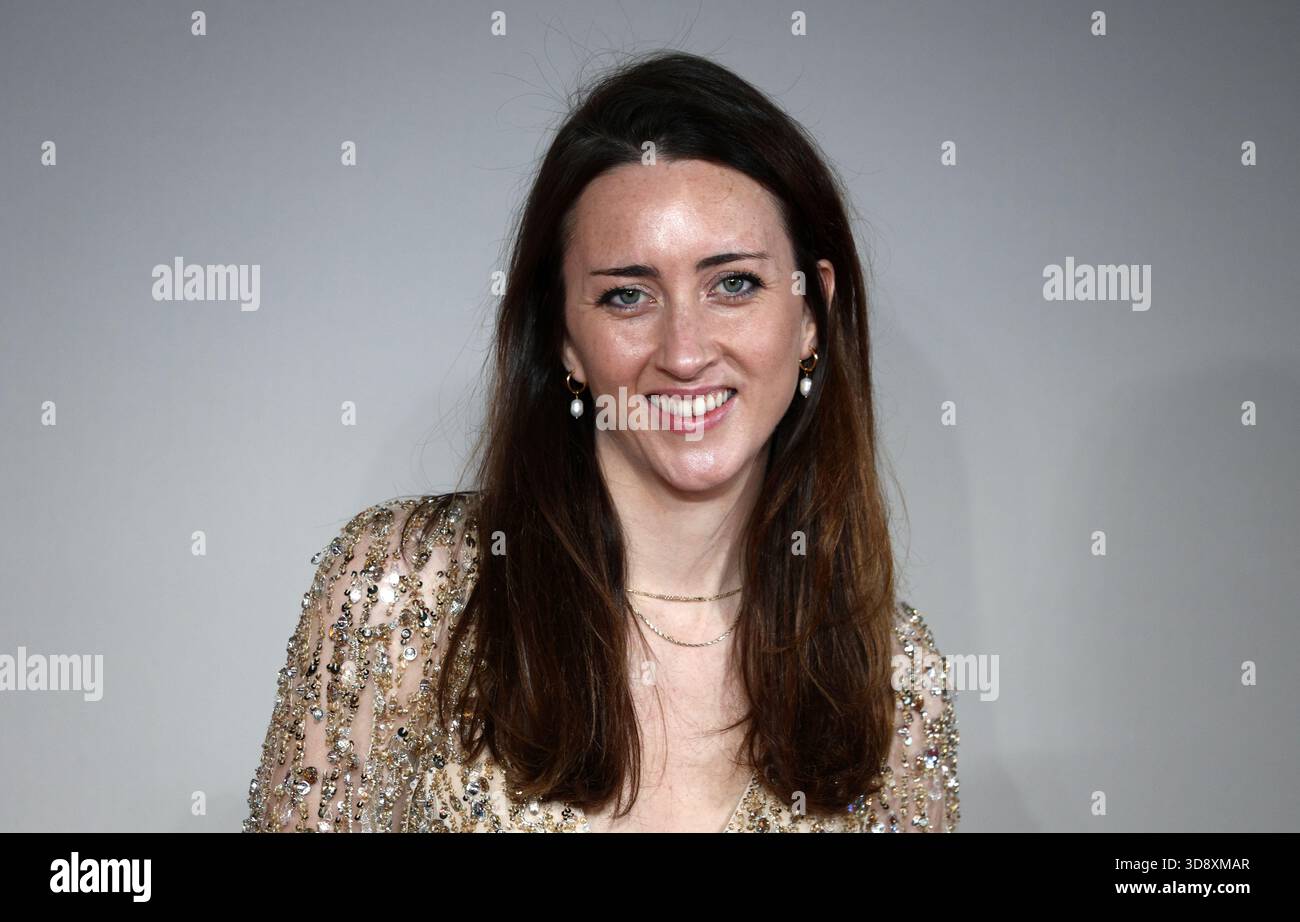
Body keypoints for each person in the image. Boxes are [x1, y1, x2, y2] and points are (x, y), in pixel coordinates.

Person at [243, 50, 960, 833]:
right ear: (566, 339)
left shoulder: (894, 675)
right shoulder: (400, 590)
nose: (685, 352)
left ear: (813, 314)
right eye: (627, 295)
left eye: (735, 284)